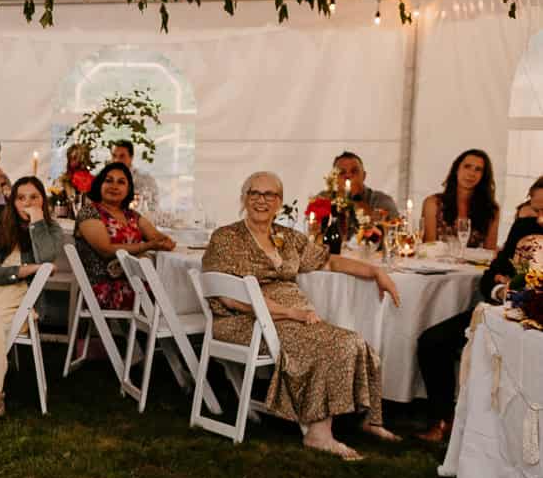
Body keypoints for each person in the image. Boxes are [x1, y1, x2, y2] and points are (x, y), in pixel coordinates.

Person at [201, 171, 401, 460]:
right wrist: (290, 313)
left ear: (279, 202)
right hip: (246, 322)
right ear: (244, 199)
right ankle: (319, 434)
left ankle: (370, 419)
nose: (261, 200)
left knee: (354, 340)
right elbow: (229, 297)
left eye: (270, 195)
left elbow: (328, 260)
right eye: (254, 193)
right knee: (330, 344)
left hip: (290, 318)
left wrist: (376, 272)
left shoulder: (286, 237)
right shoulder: (227, 238)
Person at [414, 212, 543, 442]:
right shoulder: (525, 227)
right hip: (498, 313)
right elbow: (490, 277)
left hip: (533, 330)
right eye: (538, 210)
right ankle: (443, 420)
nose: (539, 218)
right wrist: (501, 290)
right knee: (432, 341)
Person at [0, 175, 68, 426]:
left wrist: (37, 224)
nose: (27, 203)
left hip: (23, 296)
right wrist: (29, 268)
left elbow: (47, 255)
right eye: (21, 198)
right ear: (12, 202)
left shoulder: (52, 230)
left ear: (43, 200)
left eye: (34, 197)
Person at [74, 162, 175, 310]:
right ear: (100, 184)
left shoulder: (132, 215)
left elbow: (158, 238)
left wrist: (164, 242)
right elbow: (106, 250)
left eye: (121, 182)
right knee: (167, 293)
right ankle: (170, 332)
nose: (114, 186)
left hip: (132, 282)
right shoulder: (89, 212)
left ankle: (158, 332)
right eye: (108, 180)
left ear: (128, 189)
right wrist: (147, 246)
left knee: (171, 287)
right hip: (101, 287)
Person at [422, 148, 500, 250]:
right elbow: (429, 247)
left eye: (478, 169)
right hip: (437, 265)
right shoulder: (433, 203)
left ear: (483, 176)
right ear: (456, 170)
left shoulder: (491, 209)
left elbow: (489, 252)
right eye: (467, 167)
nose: (471, 174)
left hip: (474, 265)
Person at [318, 151, 401, 220]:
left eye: (354, 171)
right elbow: (313, 231)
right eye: (342, 172)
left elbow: (391, 229)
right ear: (334, 178)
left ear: (364, 176)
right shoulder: (323, 198)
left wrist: (356, 200)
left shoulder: (382, 200)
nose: (348, 176)